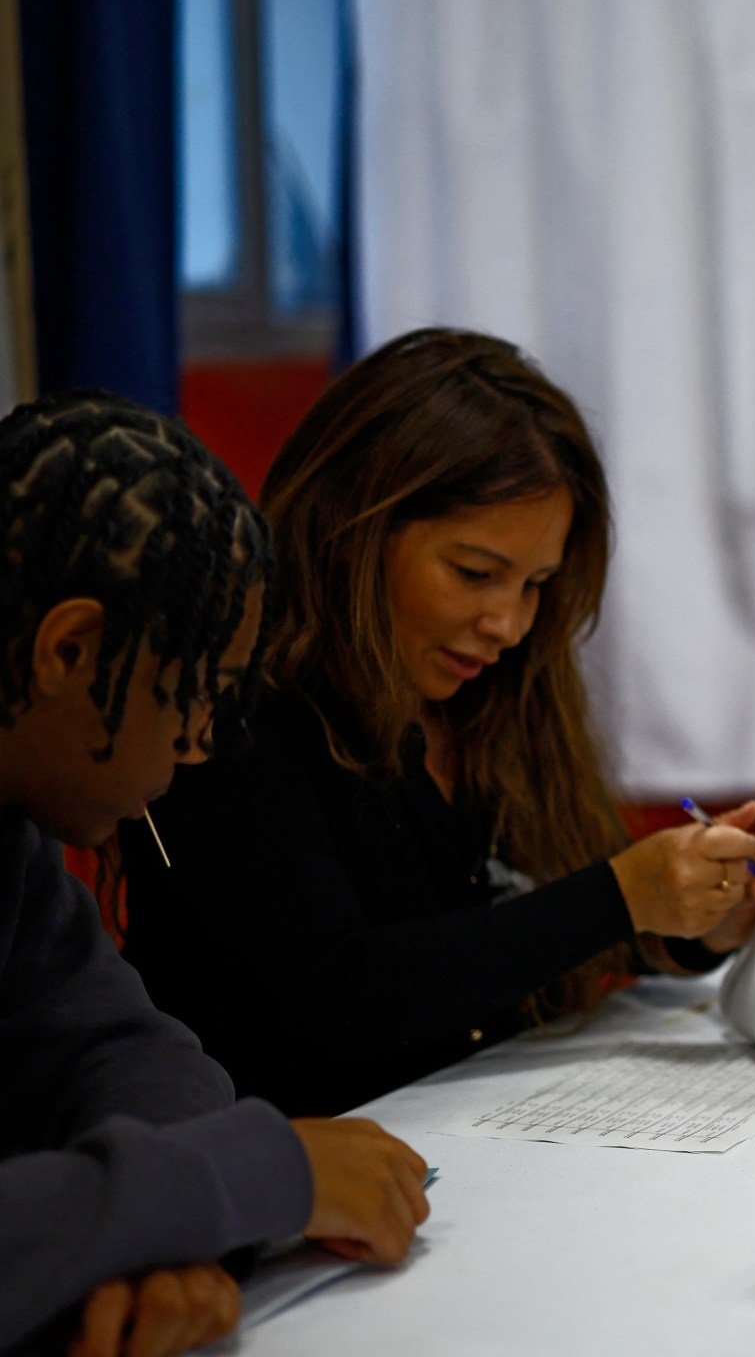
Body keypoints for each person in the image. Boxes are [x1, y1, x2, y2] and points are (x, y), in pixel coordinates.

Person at [121, 330, 755, 1119]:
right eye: (474, 574)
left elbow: (513, 920)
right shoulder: (237, 709)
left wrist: (690, 921)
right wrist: (618, 898)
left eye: (537, 585)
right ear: (355, 529)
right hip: (286, 1171)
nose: (507, 625)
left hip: (468, 1140)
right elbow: (336, 996)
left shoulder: (483, 697)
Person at [0, 392, 429, 1357]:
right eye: (190, 694)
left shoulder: (15, 846)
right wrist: (240, 1178)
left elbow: (124, 1046)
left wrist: (164, 1232)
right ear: (69, 650)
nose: (199, 745)